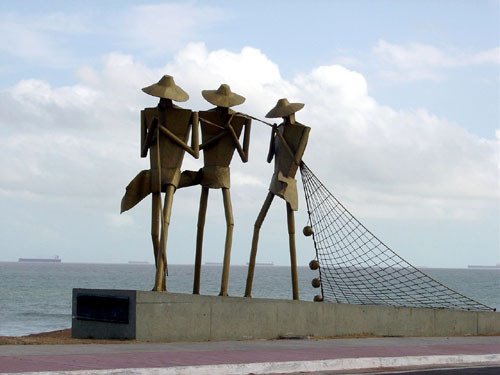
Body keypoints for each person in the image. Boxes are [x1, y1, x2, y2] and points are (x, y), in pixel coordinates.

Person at [121, 75, 199, 291]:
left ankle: (160, 283)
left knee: (165, 224)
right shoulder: (147, 114)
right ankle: (159, 282)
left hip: (173, 172)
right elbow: (143, 151)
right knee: (154, 231)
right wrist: (153, 130)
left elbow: (194, 152)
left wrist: (164, 131)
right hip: (155, 172)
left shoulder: (188, 116)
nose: (164, 101)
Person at [179, 84, 251, 296]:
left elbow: (244, 156)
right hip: (208, 170)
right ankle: (196, 287)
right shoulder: (202, 117)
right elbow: (196, 150)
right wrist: (221, 133)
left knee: (230, 222)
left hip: (223, 171)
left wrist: (230, 131)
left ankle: (224, 289)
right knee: (200, 224)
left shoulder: (241, 120)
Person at [245, 98, 310, 300]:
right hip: (275, 180)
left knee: (291, 232)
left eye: (285, 114)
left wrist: (286, 178)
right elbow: (269, 158)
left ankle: (296, 294)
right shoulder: (279, 129)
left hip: (288, 182)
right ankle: (248, 291)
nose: (283, 118)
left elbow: (296, 160)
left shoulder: (303, 130)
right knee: (257, 224)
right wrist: (273, 135)